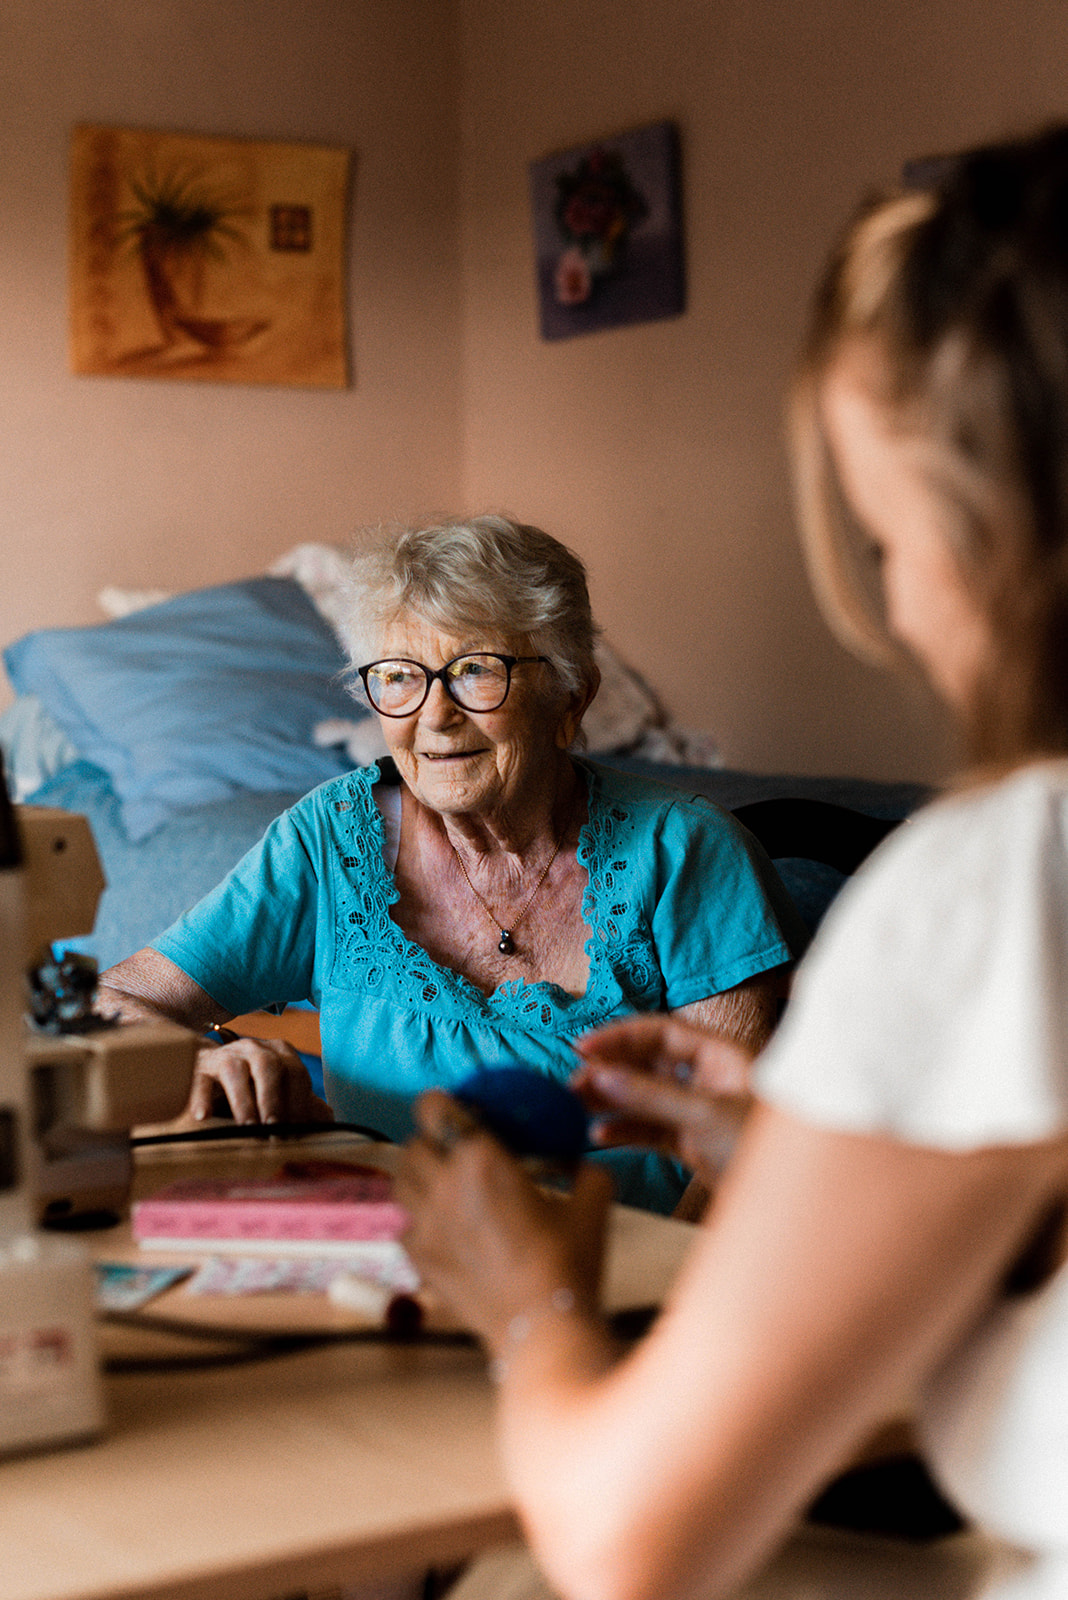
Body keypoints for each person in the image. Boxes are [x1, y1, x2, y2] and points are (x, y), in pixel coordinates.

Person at [395, 128, 1068, 1600]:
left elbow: (633, 1541)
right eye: (399, 682)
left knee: (519, 1578)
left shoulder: (1000, 879)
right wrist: (807, 1163)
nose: (894, 605)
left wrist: (519, 1306)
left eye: (891, 541)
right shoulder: (325, 837)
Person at [98, 515, 803, 1213]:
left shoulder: (685, 853)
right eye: (400, 677)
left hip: (627, 1277)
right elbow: (113, 1000)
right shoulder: (329, 840)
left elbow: (737, 1164)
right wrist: (198, 1055)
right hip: (397, 1265)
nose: (434, 715)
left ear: (571, 696)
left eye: (474, 670)